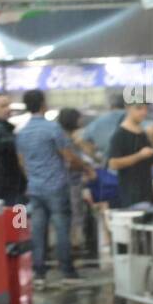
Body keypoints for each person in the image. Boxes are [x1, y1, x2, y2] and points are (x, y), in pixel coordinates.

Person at [15, 89, 88, 287]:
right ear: (43, 104)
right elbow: (69, 156)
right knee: (62, 227)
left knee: (37, 230)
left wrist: (33, 177)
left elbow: (22, 162)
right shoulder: (52, 129)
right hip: (56, 186)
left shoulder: (21, 133)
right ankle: (67, 272)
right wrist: (84, 167)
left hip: (35, 188)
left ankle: (39, 273)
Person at [56, 108, 98, 255]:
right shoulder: (66, 139)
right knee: (74, 213)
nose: (81, 121)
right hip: (71, 180)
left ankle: (71, 242)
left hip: (68, 180)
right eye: (78, 118)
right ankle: (72, 244)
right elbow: (74, 159)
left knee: (72, 212)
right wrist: (87, 169)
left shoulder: (67, 136)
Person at [106, 101, 153, 208]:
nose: (143, 112)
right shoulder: (120, 135)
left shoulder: (142, 133)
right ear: (128, 108)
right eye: (139, 108)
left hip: (147, 193)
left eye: (145, 109)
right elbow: (113, 163)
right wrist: (140, 156)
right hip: (132, 195)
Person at [0, 92, 27, 207]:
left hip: (13, 186)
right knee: (16, 223)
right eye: (3, 106)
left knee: (18, 222)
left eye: (8, 105)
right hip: (4, 188)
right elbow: (7, 146)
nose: (8, 109)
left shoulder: (7, 128)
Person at [80, 94, 125, 162]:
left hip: (109, 167)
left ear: (111, 107)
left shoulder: (97, 122)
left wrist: (97, 159)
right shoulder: (137, 119)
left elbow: (81, 141)